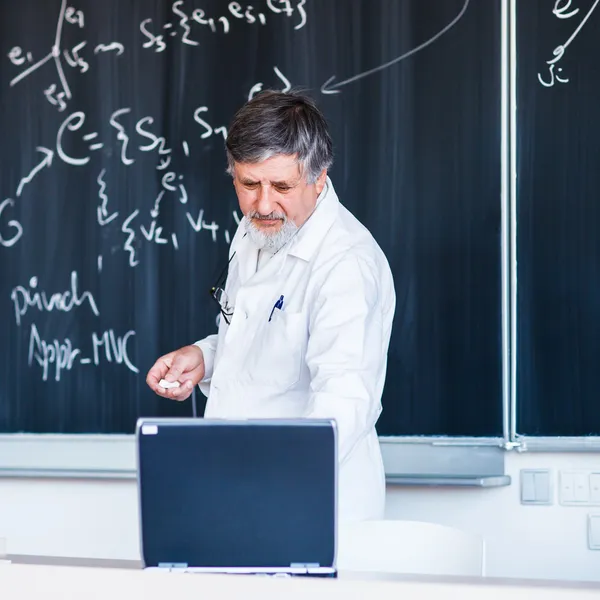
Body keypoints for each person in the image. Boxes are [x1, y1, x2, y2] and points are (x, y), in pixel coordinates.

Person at [146, 90, 396, 521]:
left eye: (281, 185)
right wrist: (204, 356)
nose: (262, 204)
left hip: (306, 498)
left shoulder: (345, 264)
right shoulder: (255, 231)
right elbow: (259, 336)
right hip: (234, 483)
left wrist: (269, 483)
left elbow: (344, 401)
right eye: (248, 184)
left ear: (319, 178)